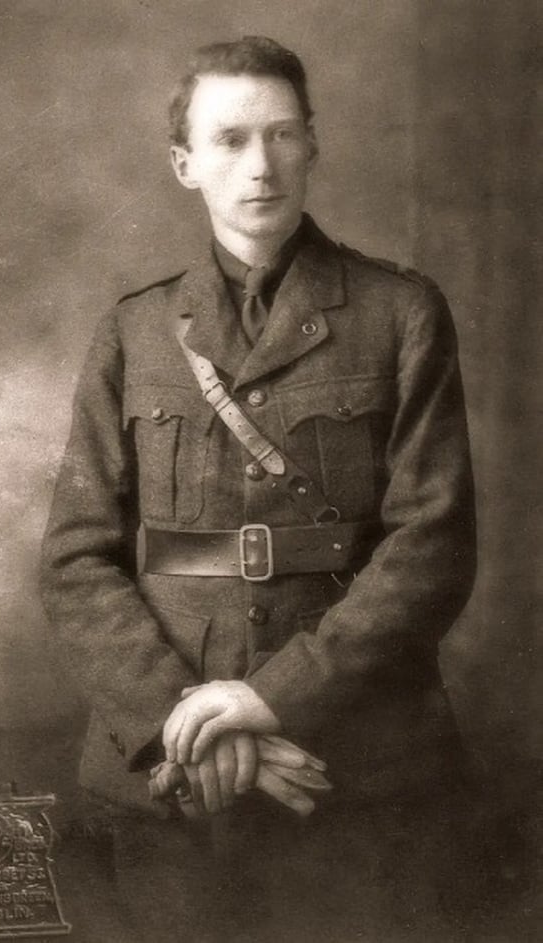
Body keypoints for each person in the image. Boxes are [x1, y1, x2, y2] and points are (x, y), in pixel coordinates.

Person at [41, 35, 477, 942]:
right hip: (164, 768)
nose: (262, 166)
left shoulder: (401, 314)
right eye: (231, 140)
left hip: (354, 757)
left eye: (283, 135)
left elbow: (432, 547)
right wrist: (187, 721)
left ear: (313, 144)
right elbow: (78, 560)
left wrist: (272, 701)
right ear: (184, 163)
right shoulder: (134, 331)